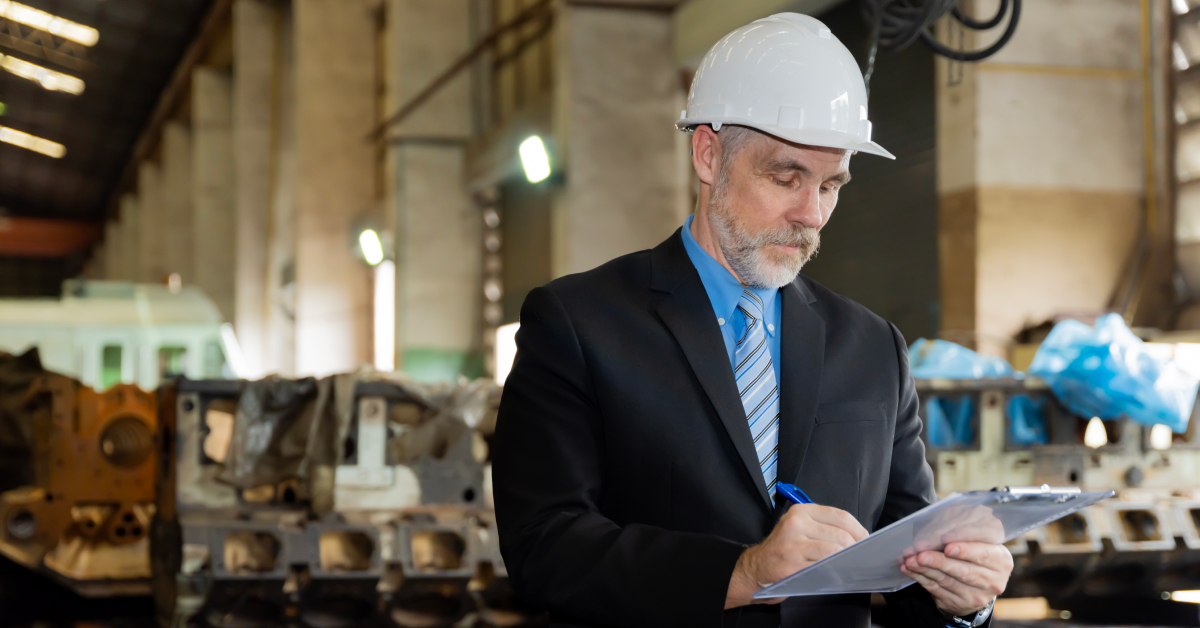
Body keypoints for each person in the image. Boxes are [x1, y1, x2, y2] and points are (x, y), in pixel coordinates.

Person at [492, 12, 1011, 628]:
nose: (811, 214)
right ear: (709, 154)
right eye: (786, 177)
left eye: (831, 185)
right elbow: (544, 548)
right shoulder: (580, 324)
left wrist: (961, 600)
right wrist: (743, 573)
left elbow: (903, 561)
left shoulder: (874, 347)